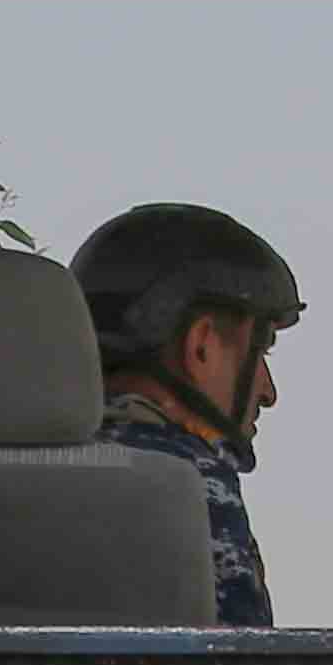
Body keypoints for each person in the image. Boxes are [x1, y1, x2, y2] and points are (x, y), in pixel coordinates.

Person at [74, 200, 298, 626]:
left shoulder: (3, 470)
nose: (268, 392)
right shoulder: (185, 487)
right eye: (262, 350)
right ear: (202, 345)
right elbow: (236, 662)